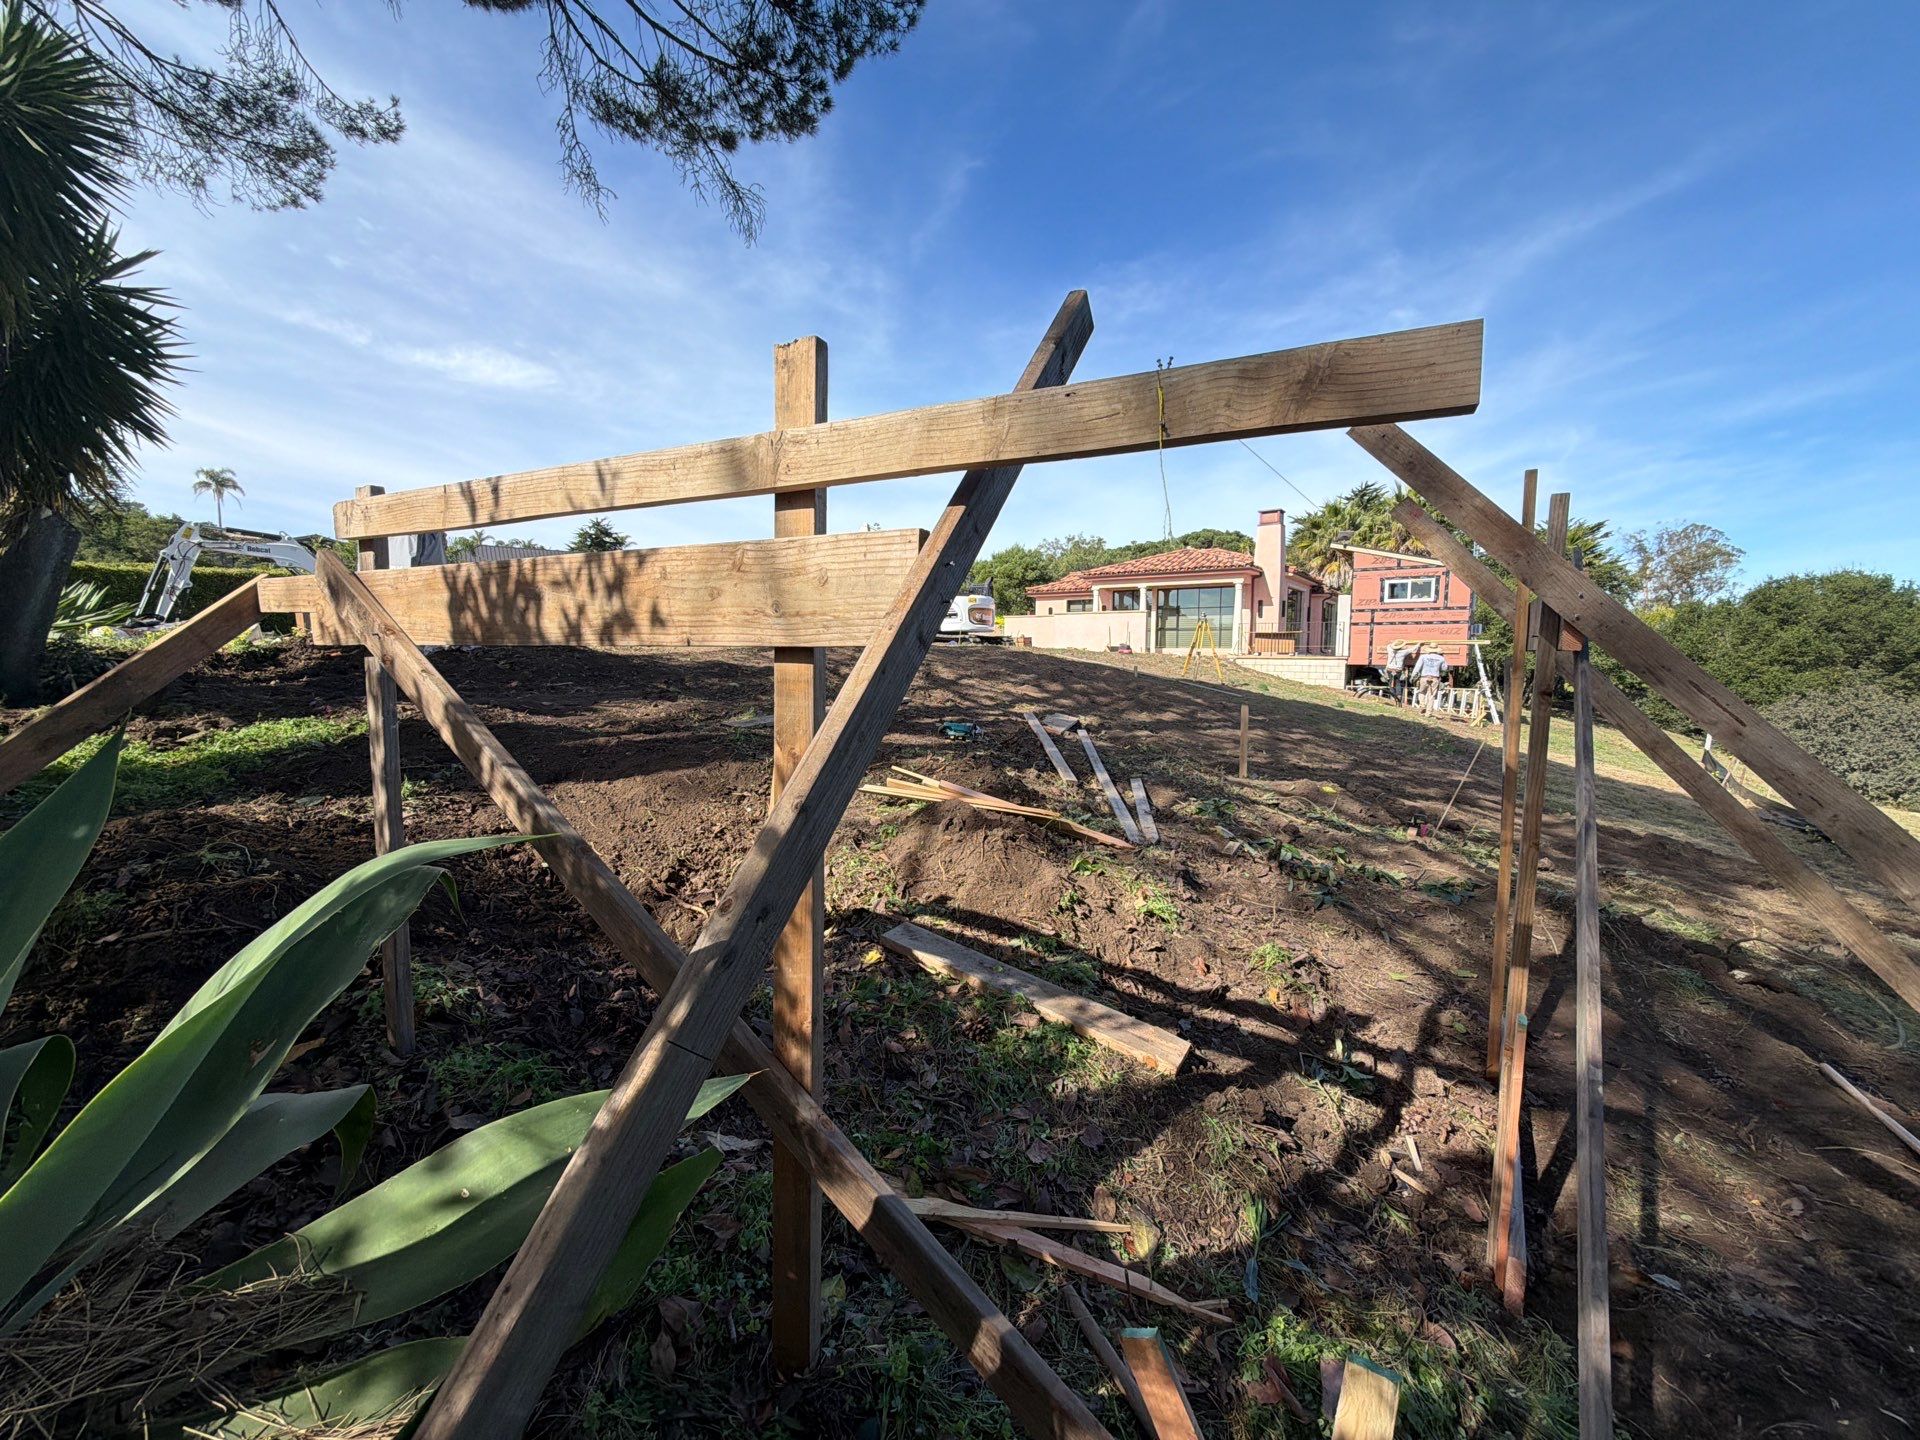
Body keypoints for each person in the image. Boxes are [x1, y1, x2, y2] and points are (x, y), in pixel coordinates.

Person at [1414, 646, 1450, 713]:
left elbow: (1417, 667)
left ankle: (1422, 705)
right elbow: (1444, 668)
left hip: (1424, 677)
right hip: (1434, 678)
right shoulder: (1441, 658)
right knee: (1432, 695)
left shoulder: (1423, 657)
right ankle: (1428, 712)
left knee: (1422, 692)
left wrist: (1413, 676)